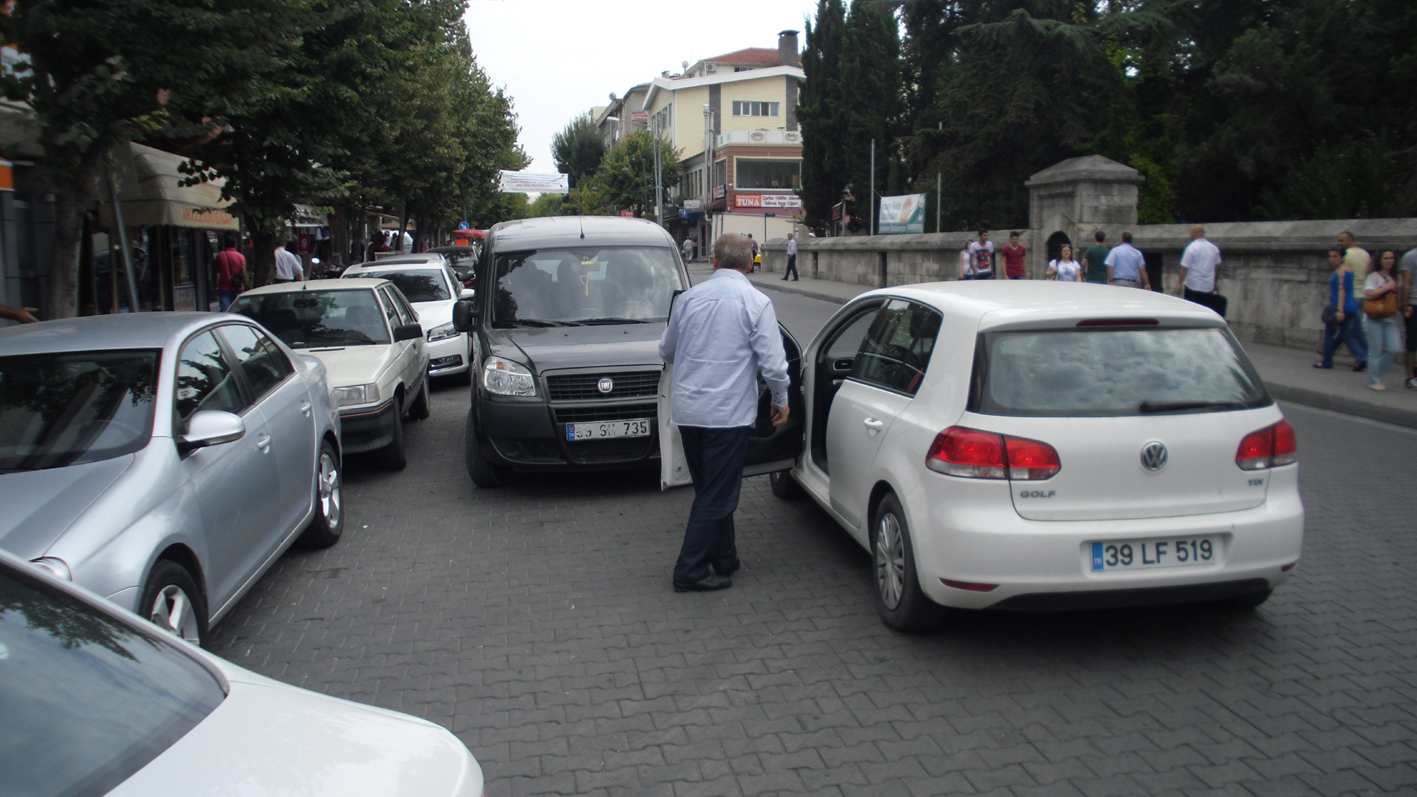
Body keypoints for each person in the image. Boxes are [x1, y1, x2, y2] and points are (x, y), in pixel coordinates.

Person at [659, 233, 790, 593]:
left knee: (709, 488)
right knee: (718, 494)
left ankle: (725, 556)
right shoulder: (756, 302)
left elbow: (666, 350)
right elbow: (775, 365)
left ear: (714, 261)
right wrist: (781, 398)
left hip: (688, 411)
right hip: (728, 415)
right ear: (750, 264)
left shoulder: (687, 300)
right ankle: (690, 570)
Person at [1316, 246, 1368, 370]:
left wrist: (1339, 310)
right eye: (1331, 256)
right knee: (1347, 334)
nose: (1332, 259)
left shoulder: (1341, 272)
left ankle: (1327, 362)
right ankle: (1362, 358)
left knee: (1329, 333)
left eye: (1335, 256)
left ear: (1342, 257)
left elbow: (1342, 291)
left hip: (1340, 306)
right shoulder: (1349, 270)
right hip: (1352, 306)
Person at [1363, 251, 1402, 390]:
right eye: (1386, 258)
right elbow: (1368, 295)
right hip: (1374, 317)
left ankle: (1377, 373)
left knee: (1394, 348)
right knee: (1375, 350)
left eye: (1392, 258)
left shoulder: (1395, 277)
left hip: (1389, 317)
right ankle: (1374, 380)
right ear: (1380, 260)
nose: (1389, 260)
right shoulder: (1373, 276)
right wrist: (1386, 287)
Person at [1175, 224, 1224, 314]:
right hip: (1208, 286)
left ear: (1195, 233)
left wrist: (1179, 283)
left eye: (1191, 232)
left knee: (1192, 311)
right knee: (1206, 311)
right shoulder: (1214, 248)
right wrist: (1215, 281)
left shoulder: (1191, 248)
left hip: (1193, 285)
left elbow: (1185, 268)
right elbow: (1216, 267)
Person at [214, 234, 247, 311]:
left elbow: (215, 271)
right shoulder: (240, 256)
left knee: (225, 310)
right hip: (237, 287)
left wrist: (215, 284)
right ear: (235, 245)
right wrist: (247, 285)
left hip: (224, 287)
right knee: (238, 310)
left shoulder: (220, 256)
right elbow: (243, 273)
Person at [1400, 246, 1417, 389]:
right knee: (1412, 342)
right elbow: (1406, 282)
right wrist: (1405, 304)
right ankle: (1410, 376)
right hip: (1413, 303)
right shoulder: (1410, 257)